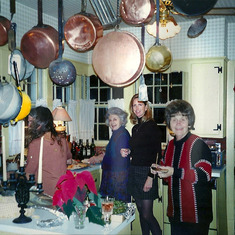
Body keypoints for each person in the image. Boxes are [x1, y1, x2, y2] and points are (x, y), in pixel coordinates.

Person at [151, 100, 213, 235]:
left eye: (183, 119)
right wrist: (158, 169)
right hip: (176, 213)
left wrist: (174, 171)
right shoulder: (171, 145)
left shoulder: (198, 144)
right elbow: (167, 170)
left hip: (196, 216)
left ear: (189, 122)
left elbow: (204, 175)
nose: (178, 123)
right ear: (169, 123)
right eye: (174, 119)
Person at [126, 94, 162, 235]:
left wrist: (150, 177)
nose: (137, 108)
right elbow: (137, 151)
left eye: (140, 104)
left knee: (147, 214)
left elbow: (157, 154)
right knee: (141, 212)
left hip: (147, 173)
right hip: (134, 171)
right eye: (134, 105)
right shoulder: (135, 128)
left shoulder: (152, 126)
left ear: (146, 107)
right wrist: (128, 151)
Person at [25, 106, 72, 197]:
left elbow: (29, 173)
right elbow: (69, 160)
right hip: (62, 190)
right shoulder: (62, 139)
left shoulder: (35, 144)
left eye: (31, 122)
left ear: (40, 124)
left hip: (45, 193)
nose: (29, 125)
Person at [89, 107, 131, 202]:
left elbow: (121, 156)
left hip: (117, 180)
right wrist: (100, 156)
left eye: (115, 119)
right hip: (113, 177)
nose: (112, 122)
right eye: (110, 120)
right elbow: (113, 152)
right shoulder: (117, 133)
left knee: (116, 208)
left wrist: (125, 151)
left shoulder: (122, 134)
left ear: (122, 120)